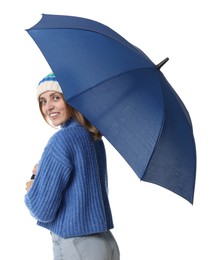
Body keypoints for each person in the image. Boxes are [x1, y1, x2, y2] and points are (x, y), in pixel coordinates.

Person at [24, 73, 120, 260]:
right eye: (42, 101)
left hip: (76, 245)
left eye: (56, 98)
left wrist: (32, 186)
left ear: (72, 100)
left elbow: (42, 210)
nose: (48, 106)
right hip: (105, 242)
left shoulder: (61, 140)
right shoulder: (92, 137)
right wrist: (45, 172)